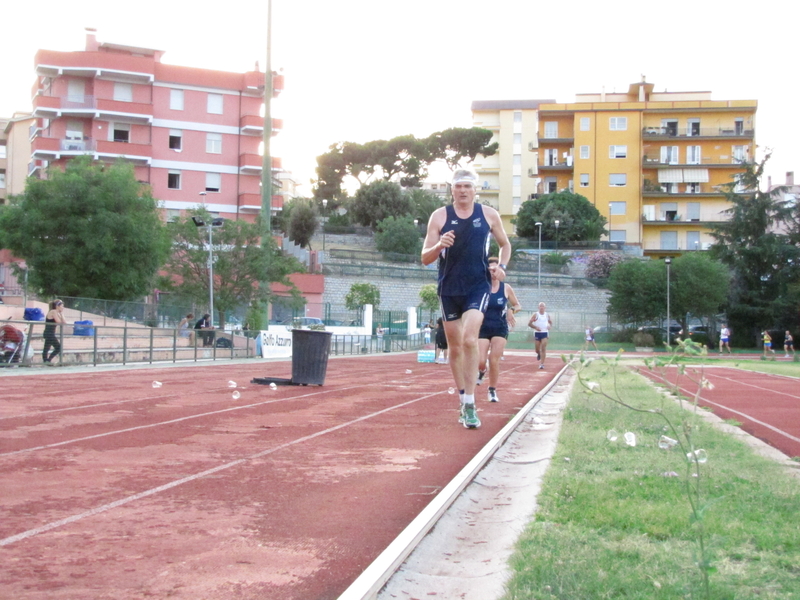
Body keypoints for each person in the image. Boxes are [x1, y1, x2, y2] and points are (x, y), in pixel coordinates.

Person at [422, 168, 511, 429]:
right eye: (458, 186)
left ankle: (471, 405)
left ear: (475, 190)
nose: (463, 190)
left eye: (467, 186)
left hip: (478, 285)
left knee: (471, 338)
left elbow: (505, 244)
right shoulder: (439, 217)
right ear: (452, 189)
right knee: (455, 347)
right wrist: (439, 245)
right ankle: (463, 398)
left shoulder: (488, 215)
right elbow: (425, 258)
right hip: (449, 286)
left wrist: (502, 266)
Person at [477, 257, 521, 403]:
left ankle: (492, 390)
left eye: (495, 269)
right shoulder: (480, 286)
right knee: (481, 360)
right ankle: (482, 371)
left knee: (494, 359)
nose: (493, 272)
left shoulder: (506, 288)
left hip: (499, 327)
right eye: (490, 270)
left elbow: (518, 305)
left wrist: (511, 310)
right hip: (482, 327)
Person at [528, 302, 553, 370]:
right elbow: (529, 323)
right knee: (537, 349)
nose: (541, 307)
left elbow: (551, 322)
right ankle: (538, 353)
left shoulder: (547, 315)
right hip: (537, 333)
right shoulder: (536, 315)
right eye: (540, 306)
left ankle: (542, 364)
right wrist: (535, 327)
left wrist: (549, 326)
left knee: (543, 348)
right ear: (538, 307)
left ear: (545, 308)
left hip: (544, 332)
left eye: (543, 306)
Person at [43, 299, 67, 364]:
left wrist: (62, 314)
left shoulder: (58, 313)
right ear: (57, 306)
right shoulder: (53, 311)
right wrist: (60, 315)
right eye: (62, 306)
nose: (63, 307)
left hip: (51, 333)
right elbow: (59, 322)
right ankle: (47, 360)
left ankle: (46, 361)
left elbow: (64, 322)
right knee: (58, 347)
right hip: (49, 333)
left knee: (47, 348)